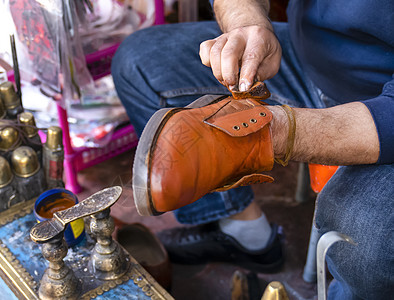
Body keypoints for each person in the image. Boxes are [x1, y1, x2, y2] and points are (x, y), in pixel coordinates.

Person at [111, 0, 394, 298]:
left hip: (380, 99)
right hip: (315, 59)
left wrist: (276, 133)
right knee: (138, 62)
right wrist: (245, 21)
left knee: (363, 235)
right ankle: (245, 234)